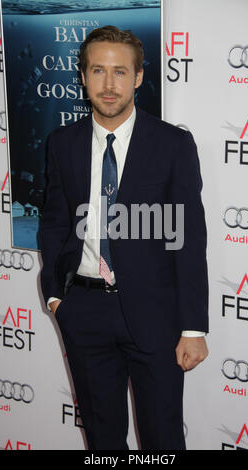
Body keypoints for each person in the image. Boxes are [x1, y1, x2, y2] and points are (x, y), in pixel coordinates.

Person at [39, 25, 209, 450]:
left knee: (162, 439)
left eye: (120, 72)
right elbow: (56, 222)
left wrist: (192, 326)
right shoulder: (62, 143)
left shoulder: (173, 145)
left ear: (137, 77)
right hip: (84, 312)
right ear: (83, 77)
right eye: (98, 71)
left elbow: (187, 238)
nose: (109, 84)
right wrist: (57, 297)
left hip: (156, 314)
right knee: (102, 439)